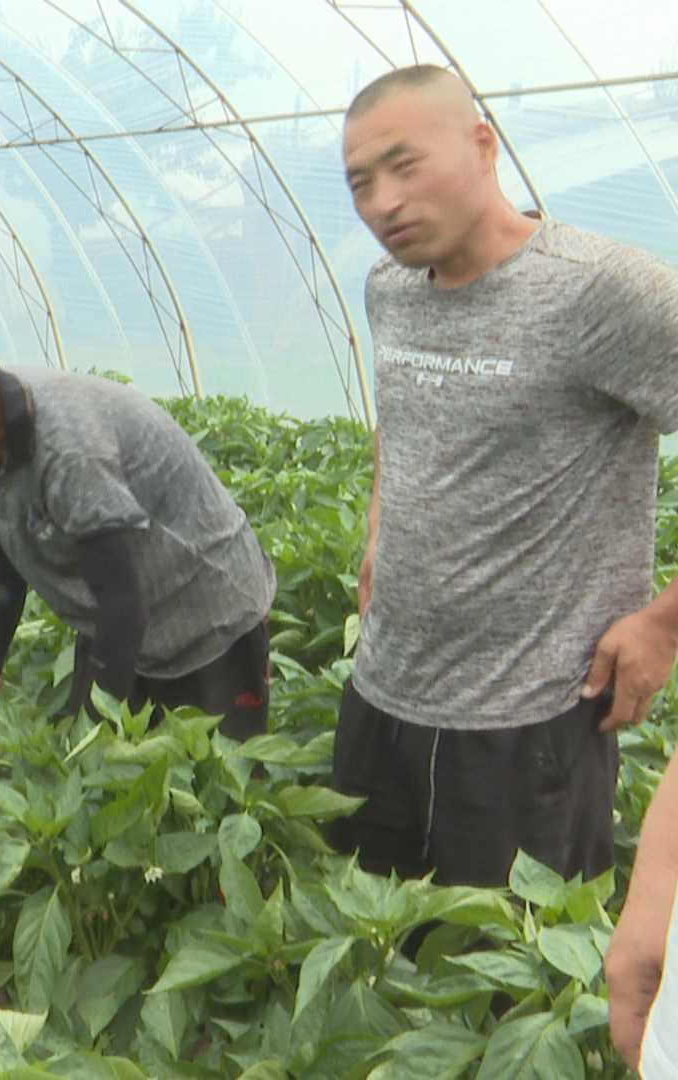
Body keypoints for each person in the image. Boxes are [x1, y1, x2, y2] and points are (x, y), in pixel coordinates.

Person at [334, 64, 678, 902]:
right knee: (378, 973)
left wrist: (666, 624)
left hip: (528, 725)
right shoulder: (390, 291)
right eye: (361, 182)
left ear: (483, 145)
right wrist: (382, 529)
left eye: (405, 165)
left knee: (506, 1004)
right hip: (381, 697)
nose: (383, 201)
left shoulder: (599, 290)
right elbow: (402, 419)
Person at [0, 336, 276, 740]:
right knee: (111, 773)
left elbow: (123, 606)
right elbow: (7, 552)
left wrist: (91, 736)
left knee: (213, 782)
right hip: (118, 614)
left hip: (208, 615)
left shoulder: (69, 452)